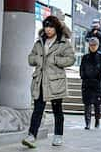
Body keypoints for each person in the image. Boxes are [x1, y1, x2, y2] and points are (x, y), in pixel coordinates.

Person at [22, 16, 75, 149]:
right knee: (37, 109)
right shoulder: (39, 42)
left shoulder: (63, 43)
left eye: (51, 27)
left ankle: (58, 136)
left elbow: (71, 59)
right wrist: (37, 60)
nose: (48, 29)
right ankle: (31, 136)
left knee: (57, 110)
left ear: (56, 28)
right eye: (46, 26)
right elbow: (30, 58)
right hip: (40, 80)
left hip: (55, 81)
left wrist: (57, 60)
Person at [79, 37, 101, 130]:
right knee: (87, 104)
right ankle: (87, 123)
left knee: (97, 104)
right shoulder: (85, 57)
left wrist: (99, 78)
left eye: (94, 45)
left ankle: (97, 121)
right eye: (91, 45)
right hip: (86, 84)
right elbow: (82, 68)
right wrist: (83, 76)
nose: (93, 47)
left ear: (98, 45)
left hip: (97, 84)